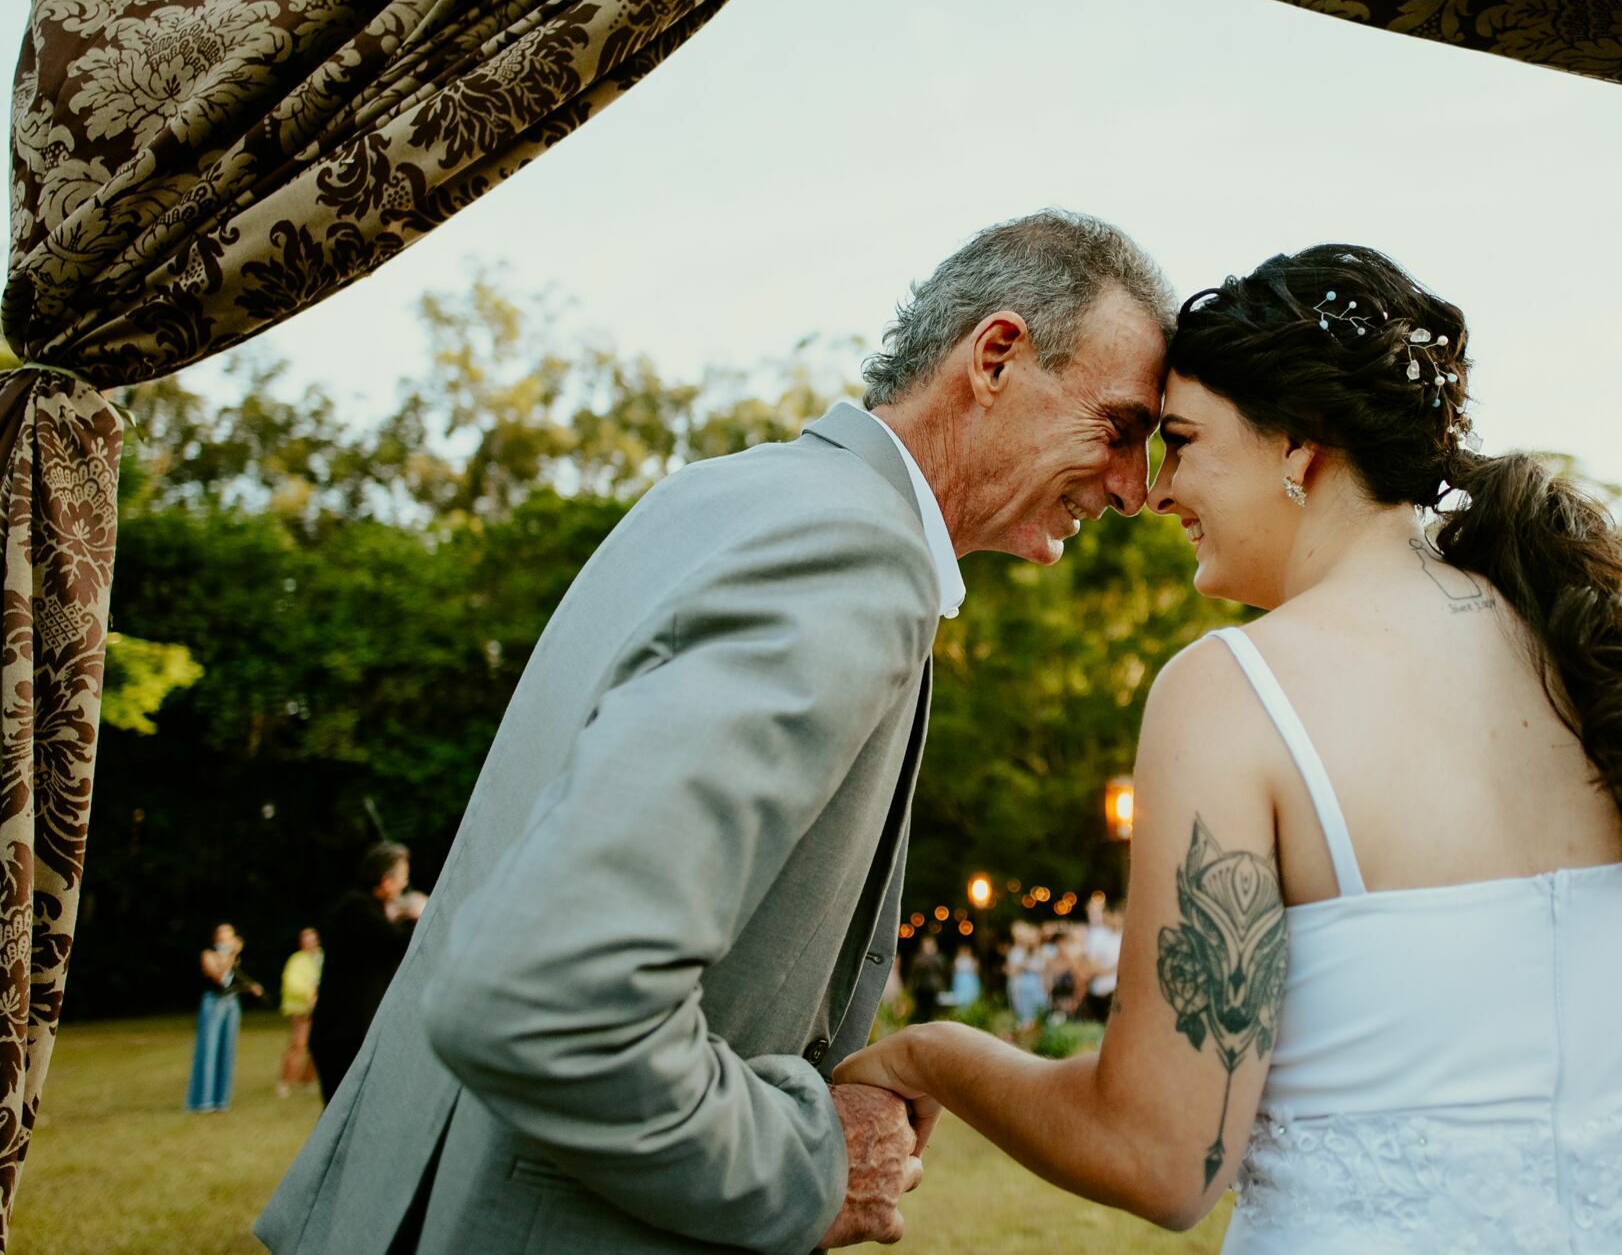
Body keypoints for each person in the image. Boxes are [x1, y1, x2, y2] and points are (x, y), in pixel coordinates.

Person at [837, 245, 1622, 1253]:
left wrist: (933, 1051)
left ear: (1301, 446)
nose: (1157, 491)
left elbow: (1162, 1156)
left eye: (1187, 442)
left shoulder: (1232, 697)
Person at [258, 209, 1175, 1255]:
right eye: (1120, 427)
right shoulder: (854, 557)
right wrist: (809, 1163)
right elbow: (548, 999)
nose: (1136, 491)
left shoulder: (717, 495)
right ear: (997, 356)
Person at [307, 842, 426, 1103]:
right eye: (402, 881)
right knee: (344, 1117)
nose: (403, 889)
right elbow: (395, 942)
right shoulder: (356, 909)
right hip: (343, 1035)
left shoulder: (365, 909)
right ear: (385, 881)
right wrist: (422, 918)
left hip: (353, 1032)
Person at [185, 922, 263, 1112]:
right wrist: (232, 953)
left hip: (230, 1003)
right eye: (222, 935)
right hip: (213, 1002)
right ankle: (202, 1101)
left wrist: (250, 987)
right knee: (209, 1049)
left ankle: (221, 1100)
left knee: (227, 1050)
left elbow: (231, 980)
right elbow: (219, 976)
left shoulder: (233, 959)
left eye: (229, 935)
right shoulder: (209, 955)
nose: (225, 938)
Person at [277, 927, 324, 1098]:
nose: (309, 942)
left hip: (321, 1007)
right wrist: (309, 994)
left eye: (312, 938)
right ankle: (285, 1081)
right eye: (306, 939)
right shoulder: (296, 960)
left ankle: (307, 1080)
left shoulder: (322, 957)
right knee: (298, 1044)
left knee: (318, 1046)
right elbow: (292, 983)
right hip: (302, 1009)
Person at [1081, 896, 1122, 1024]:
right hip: (1101, 991)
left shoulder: (1125, 937)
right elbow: (1090, 968)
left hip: (1117, 991)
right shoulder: (1099, 938)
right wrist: (1115, 968)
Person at [1005, 923, 1049, 1030]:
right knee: (1024, 1016)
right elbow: (1013, 971)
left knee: (1039, 1013)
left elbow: (1046, 971)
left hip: (1038, 988)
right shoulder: (1019, 952)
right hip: (1023, 988)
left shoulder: (1043, 952)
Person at [906, 935, 949, 1022]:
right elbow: (914, 971)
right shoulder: (918, 958)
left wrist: (930, 956)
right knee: (921, 1010)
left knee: (933, 1011)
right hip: (921, 988)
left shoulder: (939, 957)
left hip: (934, 988)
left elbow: (942, 968)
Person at [948, 946, 982, 1011]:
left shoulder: (973, 960)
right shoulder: (957, 960)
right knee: (960, 999)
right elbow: (955, 971)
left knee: (971, 998)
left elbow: (976, 971)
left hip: (970, 982)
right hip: (960, 981)